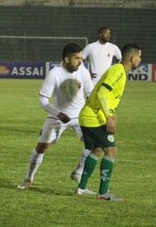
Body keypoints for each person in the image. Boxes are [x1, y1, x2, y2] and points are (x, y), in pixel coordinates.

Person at [17, 43, 94, 191]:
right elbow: (43, 100)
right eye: (77, 58)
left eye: (81, 58)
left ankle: (78, 173)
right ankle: (28, 179)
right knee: (41, 147)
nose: (80, 61)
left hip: (80, 116)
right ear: (66, 59)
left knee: (93, 145)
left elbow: (91, 94)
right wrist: (58, 113)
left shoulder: (83, 72)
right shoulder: (55, 73)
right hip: (58, 116)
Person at [76, 44, 141, 201]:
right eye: (139, 56)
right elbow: (102, 94)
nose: (140, 60)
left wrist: (111, 114)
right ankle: (103, 194)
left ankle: (81, 188)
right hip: (93, 117)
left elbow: (108, 97)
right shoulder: (118, 71)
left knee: (98, 150)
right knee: (111, 151)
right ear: (133, 59)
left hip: (92, 116)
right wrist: (109, 117)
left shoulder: (120, 71)